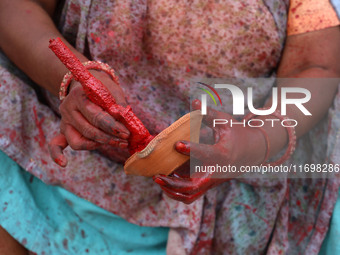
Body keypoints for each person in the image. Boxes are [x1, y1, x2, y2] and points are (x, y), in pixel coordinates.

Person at [0, 0, 339, 254]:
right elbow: (15, 8)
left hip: (233, 199)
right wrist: (72, 80)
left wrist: (258, 139)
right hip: (65, 179)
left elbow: (316, 65)